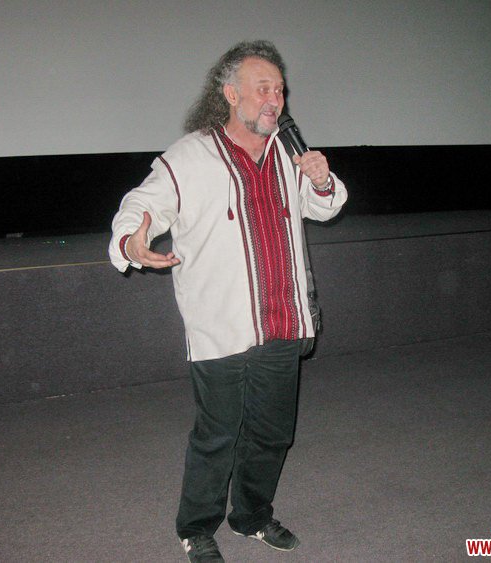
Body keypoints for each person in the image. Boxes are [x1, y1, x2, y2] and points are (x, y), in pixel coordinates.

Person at [108, 40, 347, 562]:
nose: (274, 99)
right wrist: (131, 241)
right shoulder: (190, 155)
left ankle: (252, 516)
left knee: (272, 433)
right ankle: (196, 528)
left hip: (282, 320)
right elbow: (142, 204)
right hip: (221, 327)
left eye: (279, 90)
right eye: (263, 88)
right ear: (231, 94)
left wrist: (322, 180)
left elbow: (325, 206)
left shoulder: (289, 153)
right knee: (217, 436)